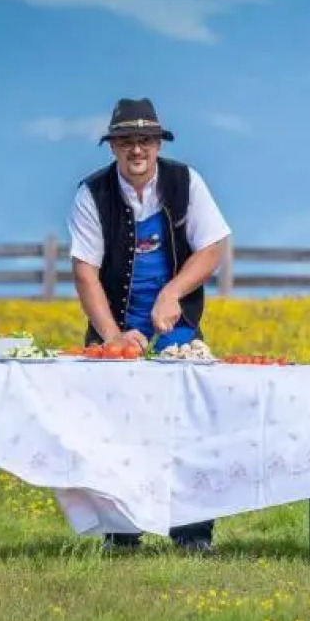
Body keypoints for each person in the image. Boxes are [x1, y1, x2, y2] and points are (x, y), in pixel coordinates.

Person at [66, 96, 232, 554]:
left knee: (192, 427)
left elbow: (213, 247)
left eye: (144, 140)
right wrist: (112, 336)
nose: (136, 150)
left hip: (176, 330)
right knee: (113, 430)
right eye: (125, 141)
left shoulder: (185, 183)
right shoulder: (91, 194)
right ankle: (122, 535)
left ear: (158, 143)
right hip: (114, 329)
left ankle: (193, 535)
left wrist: (171, 293)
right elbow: (85, 272)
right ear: (112, 147)